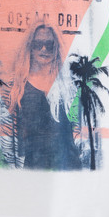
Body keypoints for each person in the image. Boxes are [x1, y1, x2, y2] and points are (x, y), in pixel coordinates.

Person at [8, 20, 82, 171]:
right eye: (38, 44)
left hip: (68, 166)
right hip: (34, 167)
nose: (44, 49)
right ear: (30, 46)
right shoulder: (18, 87)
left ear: (56, 47)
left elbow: (78, 126)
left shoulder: (69, 84)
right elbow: (12, 135)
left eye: (49, 45)